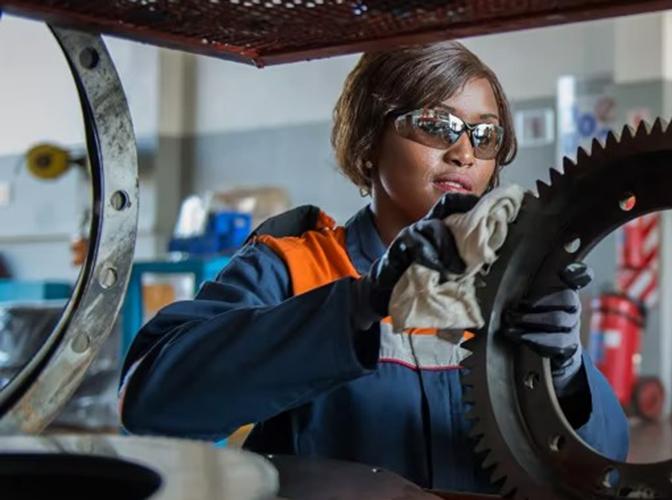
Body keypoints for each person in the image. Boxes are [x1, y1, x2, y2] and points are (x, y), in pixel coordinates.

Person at [119, 41, 628, 492]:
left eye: (485, 135)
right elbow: (152, 405)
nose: (464, 152)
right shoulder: (294, 266)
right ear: (367, 142)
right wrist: (362, 302)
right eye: (436, 124)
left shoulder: (514, 289)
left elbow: (607, 463)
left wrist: (565, 373)